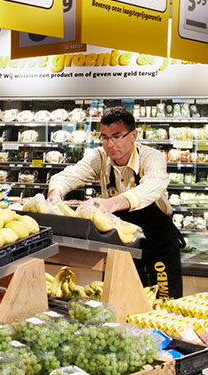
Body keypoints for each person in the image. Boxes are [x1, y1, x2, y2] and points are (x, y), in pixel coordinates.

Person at [47, 106, 184, 297]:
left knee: (162, 303)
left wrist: (110, 204)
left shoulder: (151, 157)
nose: (110, 144)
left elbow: (152, 186)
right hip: (120, 243)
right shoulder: (100, 158)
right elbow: (70, 175)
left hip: (157, 244)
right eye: (104, 137)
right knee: (116, 297)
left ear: (133, 135)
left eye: (117, 136)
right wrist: (55, 194)